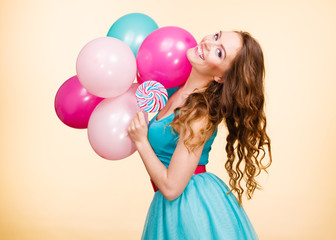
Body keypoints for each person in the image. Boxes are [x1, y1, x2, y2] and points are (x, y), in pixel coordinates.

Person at [128, 30, 272, 240]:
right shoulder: (173, 88)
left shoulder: (200, 114)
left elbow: (171, 188)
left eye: (219, 52)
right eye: (216, 37)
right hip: (171, 208)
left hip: (191, 209)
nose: (207, 43)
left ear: (221, 76)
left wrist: (141, 141)